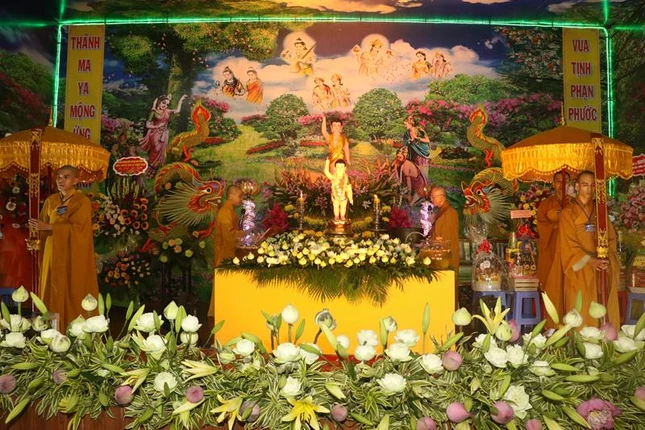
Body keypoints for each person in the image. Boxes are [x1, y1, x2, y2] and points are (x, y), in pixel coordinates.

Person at [545, 171, 620, 329]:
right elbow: (568, 244)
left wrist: (606, 258)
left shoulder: (600, 213)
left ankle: (599, 342)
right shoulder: (568, 213)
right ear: (577, 186)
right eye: (585, 185)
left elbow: (611, 239)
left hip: (599, 269)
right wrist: (589, 260)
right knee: (579, 310)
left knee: (599, 310)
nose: (589, 189)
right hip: (578, 269)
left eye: (593, 185)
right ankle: (578, 342)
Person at [27, 166, 98, 330]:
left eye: (66, 177)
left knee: (71, 289)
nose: (61, 180)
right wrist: (37, 242)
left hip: (71, 253)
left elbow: (80, 229)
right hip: (52, 253)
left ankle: (74, 329)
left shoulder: (81, 201)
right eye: (59, 177)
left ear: (76, 180)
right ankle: (50, 329)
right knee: (51, 289)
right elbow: (42, 227)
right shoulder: (51, 200)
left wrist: (50, 227)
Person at [536, 171, 570, 289]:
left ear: (570, 184)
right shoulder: (545, 204)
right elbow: (541, 226)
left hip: (569, 247)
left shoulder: (574, 204)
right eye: (558, 181)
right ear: (553, 184)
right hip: (550, 246)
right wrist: (556, 225)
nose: (562, 185)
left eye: (565, 182)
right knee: (550, 281)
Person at [139, 94, 187, 169]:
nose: (165, 105)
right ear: (159, 102)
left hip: (164, 134)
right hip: (154, 132)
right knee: (156, 149)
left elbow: (177, 111)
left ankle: (158, 166)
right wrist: (156, 126)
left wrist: (180, 101)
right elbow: (147, 125)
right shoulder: (153, 112)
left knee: (162, 150)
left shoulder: (167, 111)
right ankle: (151, 164)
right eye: (163, 103)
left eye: (167, 104)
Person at [430, 186, 460, 272]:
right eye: (431, 197)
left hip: (446, 256)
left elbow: (446, 238)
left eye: (433, 197)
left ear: (442, 196)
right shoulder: (442, 211)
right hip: (440, 254)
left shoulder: (450, 213)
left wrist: (435, 242)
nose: (431, 199)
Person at [324, 159, 353, 223]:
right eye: (338, 167)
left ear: (345, 168)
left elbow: (349, 189)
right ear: (335, 168)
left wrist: (350, 198)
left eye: (342, 167)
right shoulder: (333, 178)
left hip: (344, 197)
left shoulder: (347, 179)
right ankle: (336, 217)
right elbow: (326, 172)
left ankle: (342, 217)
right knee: (336, 207)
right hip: (335, 197)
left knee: (343, 207)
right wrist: (327, 164)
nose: (340, 169)